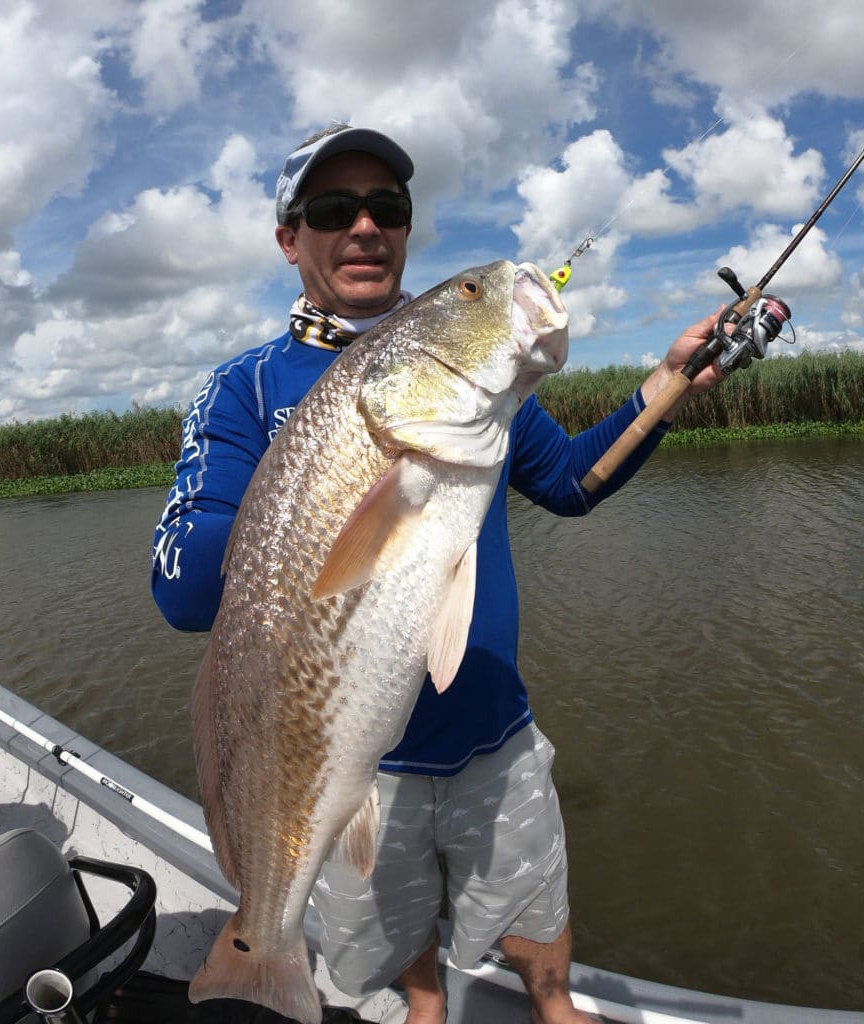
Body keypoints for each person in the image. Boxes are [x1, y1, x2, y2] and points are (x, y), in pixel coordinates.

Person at [151, 124, 724, 1024]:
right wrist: (314, 485)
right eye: (334, 210)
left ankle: (554, 1001)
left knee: (537, 918)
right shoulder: (244, 390)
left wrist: (671, 380)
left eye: (390, 208)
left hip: (495, 731)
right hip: (344, 763)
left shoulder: (477, 396)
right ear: (289, 238)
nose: (367, 227)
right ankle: (421, 1003)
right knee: (396, 930)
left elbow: (573, 480)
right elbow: (183, 594)